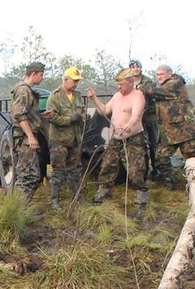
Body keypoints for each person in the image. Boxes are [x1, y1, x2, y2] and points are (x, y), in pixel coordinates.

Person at [86, 68, 149, 221]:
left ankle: (140, 202)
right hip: (116, 138)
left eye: (121, 84)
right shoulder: (116, 96)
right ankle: (103, 192)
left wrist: (129, 125)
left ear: (130, 82)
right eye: (118, 84)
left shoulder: (138, 96)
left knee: (135, 171)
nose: (119, 87)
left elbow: (136, 115)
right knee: (108, 165)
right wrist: (94, 98)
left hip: (133, 138)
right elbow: (104, 110)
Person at [42, 66, 86, 210]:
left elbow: (82, 112)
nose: (76, 84)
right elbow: (52, 117)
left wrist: (84, 117)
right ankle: (55, 201)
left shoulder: (78, 96)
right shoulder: (54, 97)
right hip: (59, 140)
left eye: (77, 81)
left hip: (75, 140)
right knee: (58, 172)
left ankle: (76, 198)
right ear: (65, 80)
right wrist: (71, 119)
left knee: (75, 170)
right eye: (74, 81)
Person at [152, 65, 195, 189]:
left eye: (161, 74)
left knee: (191, 160)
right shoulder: (164, 87)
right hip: (170, 133)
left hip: (185, 131)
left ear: (170, 73)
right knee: (161, 157)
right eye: (157, 75)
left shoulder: (175, 83)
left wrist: (139, 87)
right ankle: (170, 184)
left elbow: (154, 91)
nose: (159, 77)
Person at [9, 62, 45, 202]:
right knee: (28, 176)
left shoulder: (26, 90)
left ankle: (22, 208)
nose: (42, 78)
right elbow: (19, 114)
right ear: (34, 74)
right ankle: (19, 210)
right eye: (41, 75)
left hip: (25, 136)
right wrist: (30, 136)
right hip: (25, 137)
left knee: (30, 175)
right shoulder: (24, 90)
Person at [130, 60, 159, 180]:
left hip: (149, 116)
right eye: (133, 67)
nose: (135, 69)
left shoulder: (147, 81)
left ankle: (156, 170)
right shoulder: (128, 81)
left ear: (141, 69)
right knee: (140, 145)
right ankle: (143, 171)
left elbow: (151, 91)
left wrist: (140, 88)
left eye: (138, 67)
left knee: (154, 144)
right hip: (136, 117)